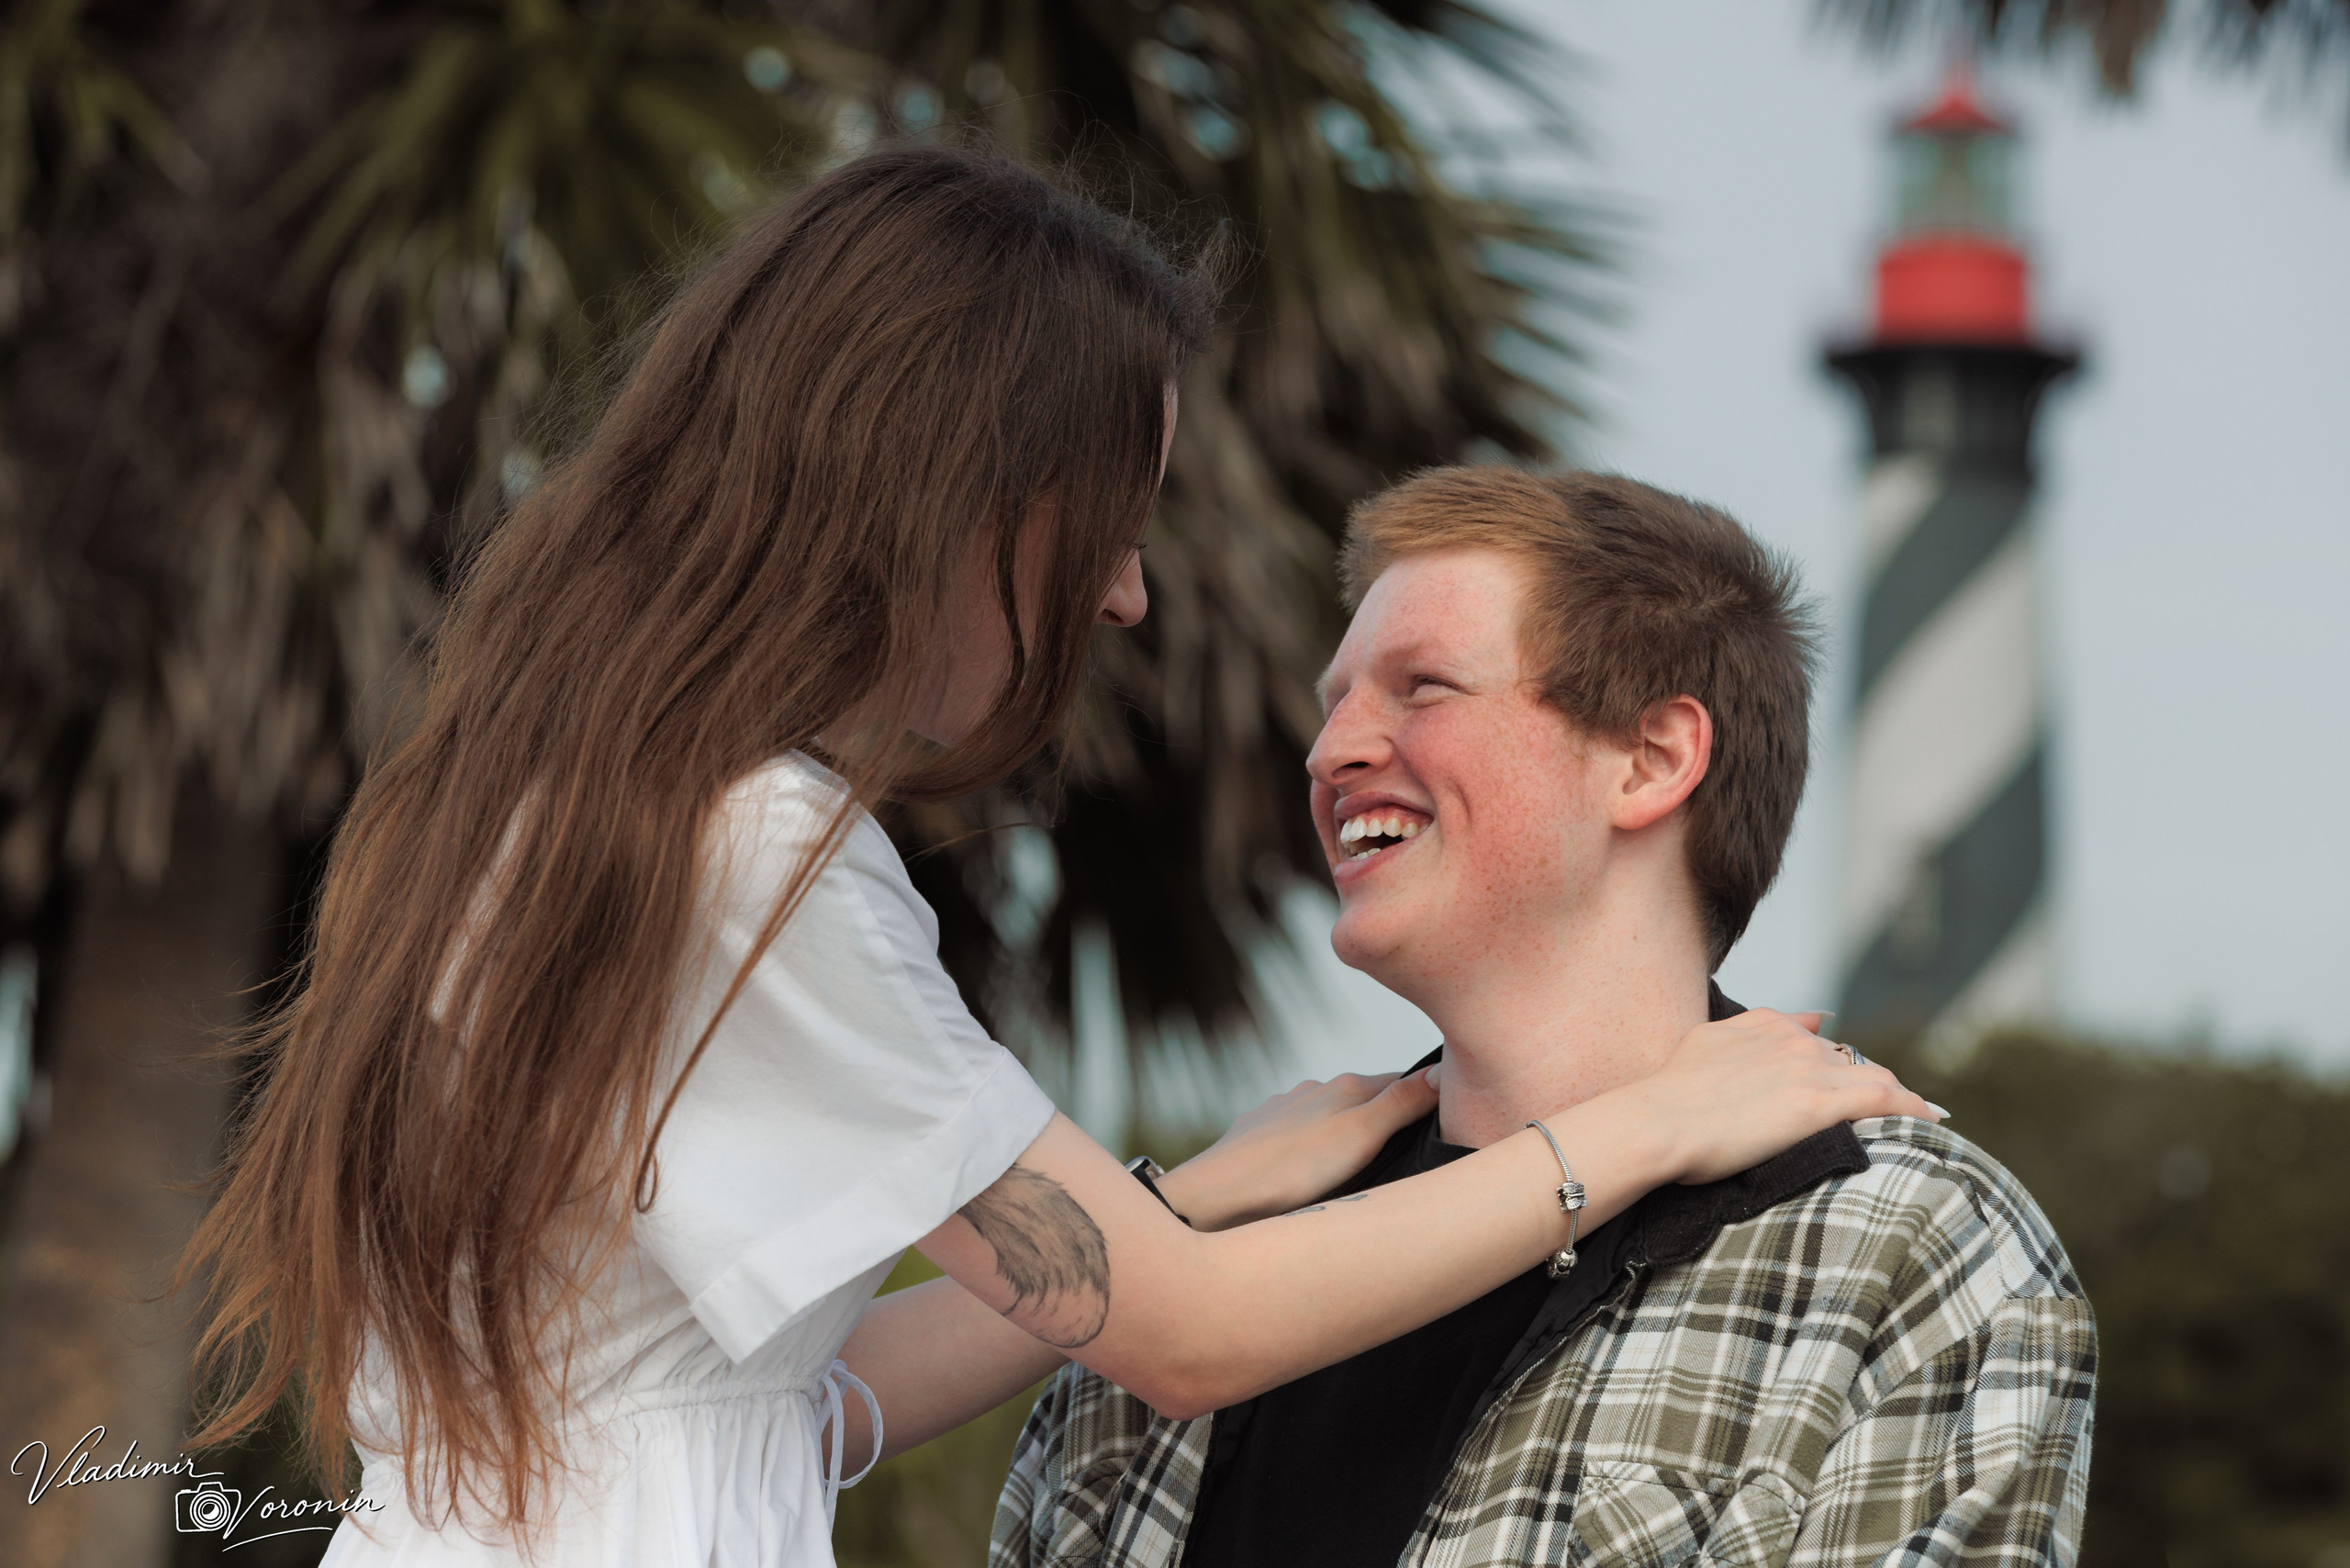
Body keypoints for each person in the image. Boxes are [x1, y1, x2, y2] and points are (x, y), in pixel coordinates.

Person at [176, 151, 1936, 1568]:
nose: (1125, 592)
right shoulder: (755, 848)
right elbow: (1187, 1341)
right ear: (949, 483)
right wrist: (1659, 1122)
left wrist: (1185, 1204)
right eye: (1108, 520)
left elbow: (795, 1399)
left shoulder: (611, 807)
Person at [994, 467, 2098, 1568]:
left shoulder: (1912, 1251)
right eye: (1336, 702)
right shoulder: (1193, 1262)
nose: (1329, 752)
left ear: (1653, 759)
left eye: (1422, 686)